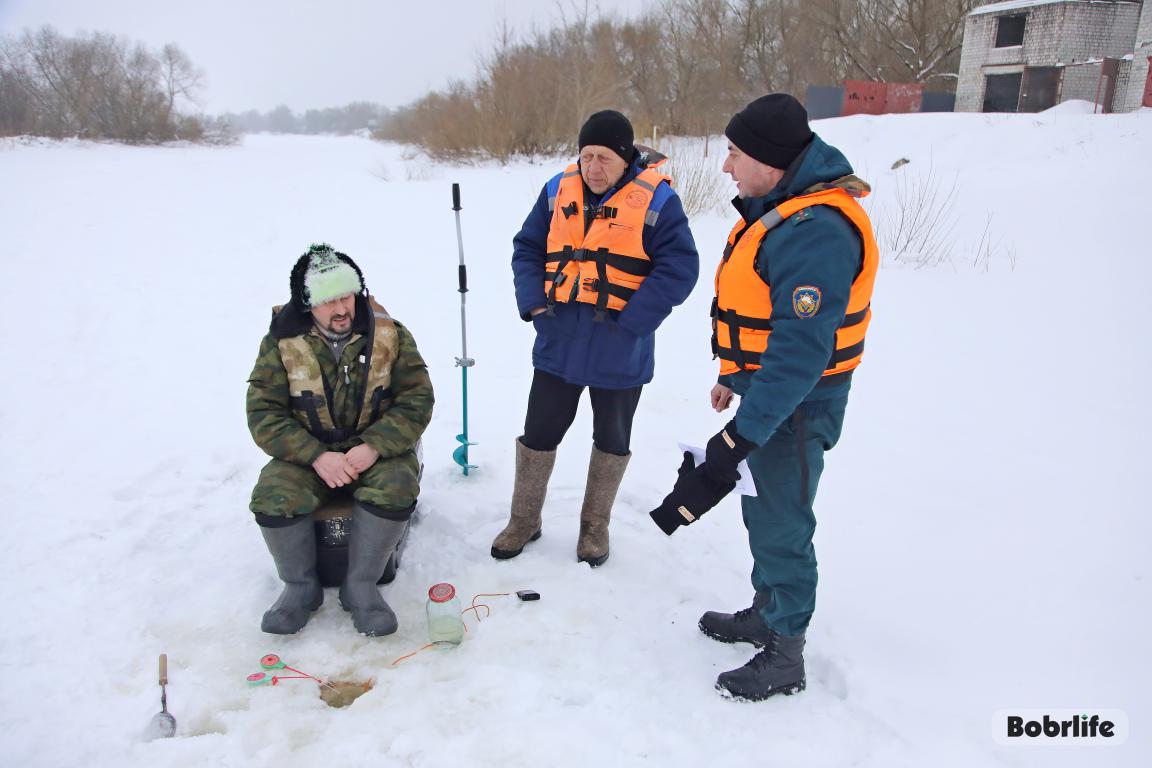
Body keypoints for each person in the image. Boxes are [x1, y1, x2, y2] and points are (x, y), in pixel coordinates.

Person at [648, 94, 878, 701]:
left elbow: (802, 352)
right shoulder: (779, 208)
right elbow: (763, 320)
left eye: (734, 154)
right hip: (769, 395)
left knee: (783, 525)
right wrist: (735, 375)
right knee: (761, 510)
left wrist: (744, 432)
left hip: (797, 408)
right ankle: (766, 612)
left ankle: (785, 654)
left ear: (772, 162)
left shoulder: (817, 231)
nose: (726, 167)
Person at [493, 109, 699, 567]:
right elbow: (526, 248)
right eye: (586, 156)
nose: (593, 166)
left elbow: (680, 268)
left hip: (619, 349)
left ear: (626, 158)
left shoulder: (658, 202)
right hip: (559, 341)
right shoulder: (555, 191)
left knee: (611, 439)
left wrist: (634, 320)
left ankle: (594, 529)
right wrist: (535, 305)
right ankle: (524, 520)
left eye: (603, 157)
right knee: (538, 434)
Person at [247, 244, 434, 636]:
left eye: (346, 296)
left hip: (373, 451)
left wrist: (375, 445)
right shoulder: (280, 344)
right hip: (309, 456)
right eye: (327, 300)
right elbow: (264, 414)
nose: (340, 309)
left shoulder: (390, 335)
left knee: (399, 483)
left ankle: (361, 585)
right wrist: (315, 456)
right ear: (307, 305)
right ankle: (300, 588)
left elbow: (417, 400)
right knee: (273, 493)